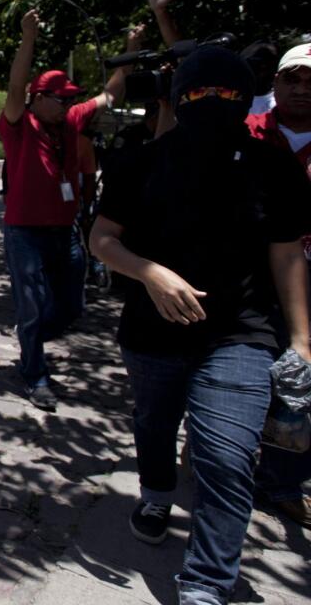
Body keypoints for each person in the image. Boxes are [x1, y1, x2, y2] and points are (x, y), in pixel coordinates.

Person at [90, 46, 311, 605]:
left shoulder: (273, 168)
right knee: (155, 424)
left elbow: (287, 255)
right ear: (179, 97)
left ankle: (206, 584)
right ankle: (157, 493)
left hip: (241, 335)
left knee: (227, 457)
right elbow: (101, 240)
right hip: (151, 332)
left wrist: (304, 341)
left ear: (245, 97)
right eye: (199, 92)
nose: (213, 102)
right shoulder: (139, 162)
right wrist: (152, 275)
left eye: (227, 93)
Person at [0, 9, 126, 410]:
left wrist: (132, 50)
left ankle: (29, 339)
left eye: (71, 97)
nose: (70, 102)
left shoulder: (70, 121)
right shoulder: (19, 124)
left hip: (66, 232)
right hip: (26, 234)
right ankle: (35, 374)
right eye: (62, 97)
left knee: (72, 306)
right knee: (33, 305)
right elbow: (16, 85)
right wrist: (28, 38)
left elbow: (110, 95)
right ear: (39, 99)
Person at [246, 42, 311, 528]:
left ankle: (285, 481)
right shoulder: (247, 133)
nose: (302, 89)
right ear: (276, 82)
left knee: (301, 382)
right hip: (250, 278)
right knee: (247, 373)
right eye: (293, 78)